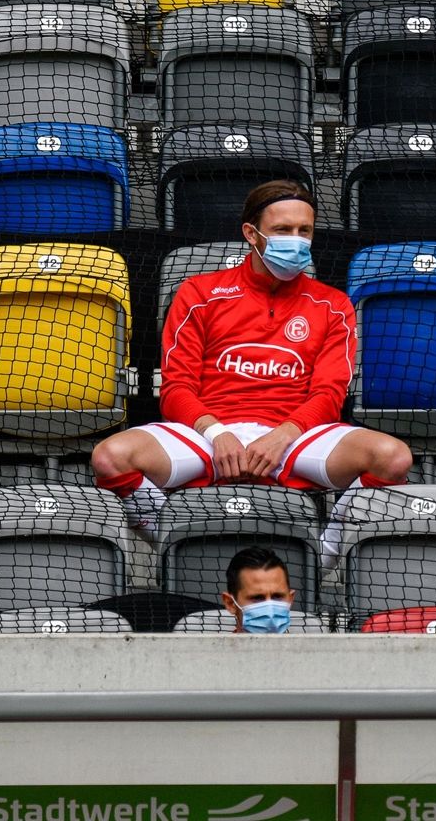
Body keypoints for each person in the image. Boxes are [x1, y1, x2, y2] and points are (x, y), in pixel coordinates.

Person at [90, 180, 413, 531]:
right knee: (111, 457)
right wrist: (217, 434)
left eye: (304, 230)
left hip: (295, 437)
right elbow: (176, 388)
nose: (296, 240)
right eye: (282, 230)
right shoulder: (200, 293)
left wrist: (282, 435)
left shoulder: (332, 304)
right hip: (207, 436)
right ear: (251, 233)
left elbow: (329, 393)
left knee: (392, 458)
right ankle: (171, 540)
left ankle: (327, 553)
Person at [222, 546, 296, 635]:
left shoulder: (309, 643)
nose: (270, 610)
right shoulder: (212, 644)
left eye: (277, 596)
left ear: (290, 600)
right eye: (257, 598)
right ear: (230, 604)